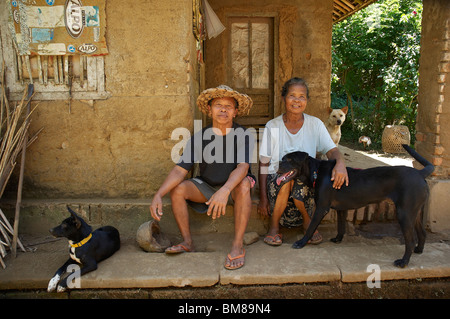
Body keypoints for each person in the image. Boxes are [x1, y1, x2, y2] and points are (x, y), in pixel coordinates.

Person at [150, 85, 256, 270]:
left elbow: (243, 167)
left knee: (245, 183)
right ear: (209, 109)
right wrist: (159, 194)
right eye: (218, 105)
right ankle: (188, 242)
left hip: (235, 189)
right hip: (208, 186)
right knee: (178, 189)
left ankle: (237, 244)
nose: (223, 109)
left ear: (235, 112)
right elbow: (180, 170)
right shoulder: (199, 137)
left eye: (229, 106)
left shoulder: (243, 135)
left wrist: (225, 190)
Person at [257, 77, 349, 246]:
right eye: (292, 95)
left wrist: (340, 164)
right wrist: (263, 199)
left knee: (297, 180)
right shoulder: (273, 126)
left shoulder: (315, 124)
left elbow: (332, 150)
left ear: (307, 100)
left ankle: (308, 223)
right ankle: (274, 227)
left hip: (304, 182)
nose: (297, 100)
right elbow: (263, 164)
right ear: (284, 98)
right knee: (286, 180)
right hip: (276, 180)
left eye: (302, 96)